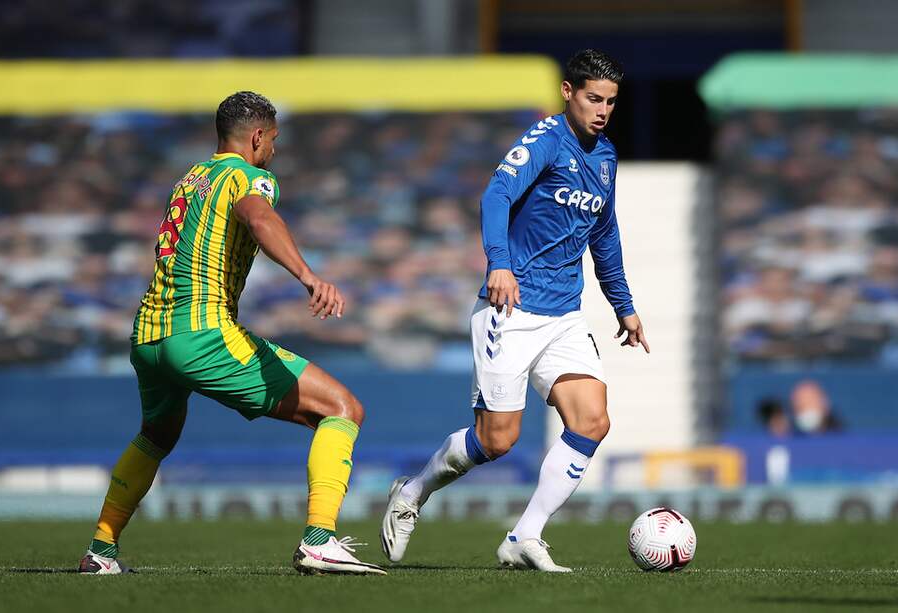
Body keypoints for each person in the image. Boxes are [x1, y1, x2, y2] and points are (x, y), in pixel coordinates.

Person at [79, 91, 385, 576]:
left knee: (156, 435)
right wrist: (309, 276)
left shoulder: (190, 178)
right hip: (201, 334)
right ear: (258, 137)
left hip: (148, 335)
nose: (274, 151)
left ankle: (101, 550)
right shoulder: (250, 177)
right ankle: (319, 541)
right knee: (343, 409)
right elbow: (258, 216)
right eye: (274, 141)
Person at [381, 50, 649, 572]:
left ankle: (524, 537)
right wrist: (499, 264)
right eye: (594, 98)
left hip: (565, 315)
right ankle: (412, 493)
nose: (602, 110)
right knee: (496, 440)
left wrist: (625, 306)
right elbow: (496, 194)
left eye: (611, 102)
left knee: (592, 419)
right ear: (568, 92)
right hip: (512, 306)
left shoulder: (607, 157)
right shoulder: (545, 140)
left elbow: (605, 234)